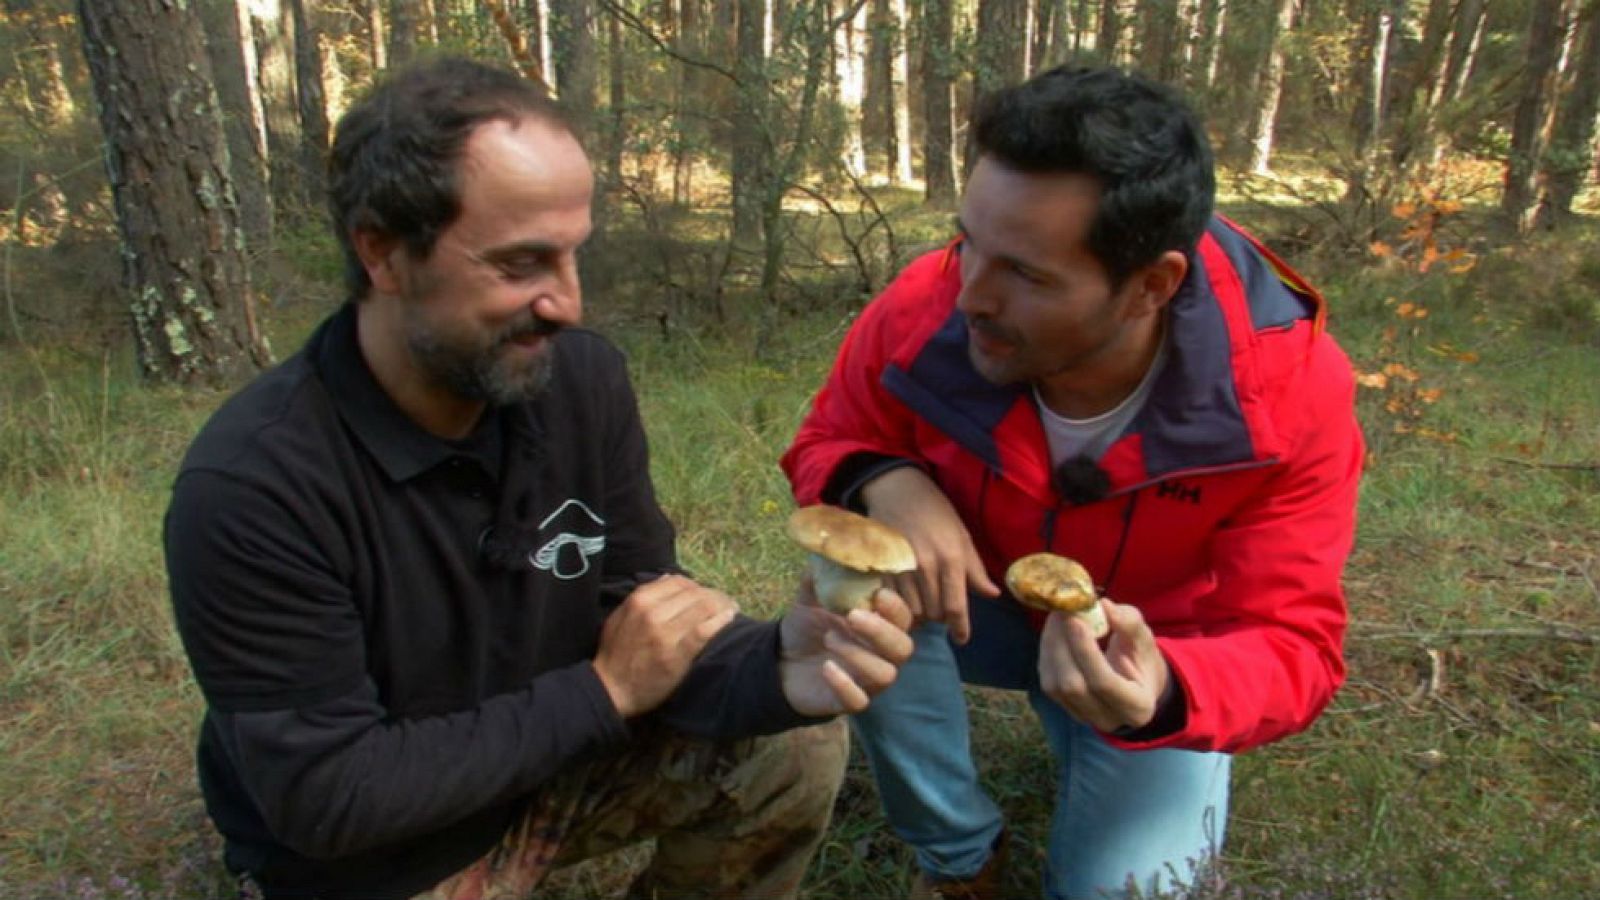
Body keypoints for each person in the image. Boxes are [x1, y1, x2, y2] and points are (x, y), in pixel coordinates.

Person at [164, 56, 914, 900]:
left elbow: (638, 614)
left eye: (572, 256)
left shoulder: (577, 384)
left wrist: (777, 664)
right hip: (384, 857)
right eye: (521, 264)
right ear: (383, 252)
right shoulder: (256, 485)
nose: (568, 303)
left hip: (548, 762)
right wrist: (602, 693)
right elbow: (326, 799)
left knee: (795, 743)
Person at [781, 65, 1364, 899]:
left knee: (1117, 890)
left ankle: (1108, 734)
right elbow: (829, 434)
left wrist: (1166, 688)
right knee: (855, 592)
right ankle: (958, 854)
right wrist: (885, 479)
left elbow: (1293, 644)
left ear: (1151, 287)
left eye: (1027, 274)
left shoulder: (1283, 395)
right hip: (978, 604)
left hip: (1153, 644)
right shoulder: (926, 304)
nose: (970, 296)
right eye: (968, 242)